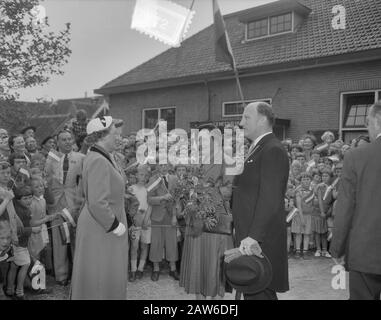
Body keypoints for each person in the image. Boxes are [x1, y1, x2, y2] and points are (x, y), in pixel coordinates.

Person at [232, 102, 289, 300]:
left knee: (260, 293)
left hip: (259, 241)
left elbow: (270, 198)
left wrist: (254, 236)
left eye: (246, 117)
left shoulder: (272, 149)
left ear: (263, 119)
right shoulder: (258, 148)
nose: (241, 123)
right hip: (250, 236)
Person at [71, 116, 128, 300]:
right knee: (100, 275)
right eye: (115, 133)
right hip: (102, 226)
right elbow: (97, 201)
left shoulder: (104, 156)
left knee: (105, 272)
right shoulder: (98, 160)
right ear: (101, 136)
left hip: (103, 224)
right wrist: (114, 225)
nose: (119, 137)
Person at [331, 101, 381, 300]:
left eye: (368, 122)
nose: (367, 128)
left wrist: (337, 248)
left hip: (366, 250)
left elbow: (345, 207)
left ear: (377, 121)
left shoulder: (357, 157)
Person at [45, 130, 85, 286]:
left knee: (77, 238)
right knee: (59, 239)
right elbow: (46, 180)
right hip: (56, 203)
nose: (67, 142)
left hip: (74, 202)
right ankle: (61, 275)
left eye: (70, 139)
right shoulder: (51, 158)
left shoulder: (81, 158)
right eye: (64, 139)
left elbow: (83, 182)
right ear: (58, 142)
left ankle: (78, 274)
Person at [147, 164, 179, 281]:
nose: (163, 167)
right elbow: (149, 199)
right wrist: (162, 197)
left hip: (171, 216)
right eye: (161, 165)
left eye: (166, 164)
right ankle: (156, 269)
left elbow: (177, 199)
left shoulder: (174, 179)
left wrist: (175, 216)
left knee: (172, 242)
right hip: (157, 216)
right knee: (156, 243)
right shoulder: (153, 180)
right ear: (157, 166)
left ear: (170, 165)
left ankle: (173, 268)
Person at [127, 165, 151, 282]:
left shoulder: (149, 189)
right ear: (136, 175)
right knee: (134, 246)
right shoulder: (131, 189)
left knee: (144, 245)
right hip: (135, 222)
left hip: (146, 221)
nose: (143, 177)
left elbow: (150, 205)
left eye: (146, 175)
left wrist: (146, 218)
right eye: (141, 174)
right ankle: (133, 270)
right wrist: (134, 216)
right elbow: (128, 205)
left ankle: (140, 269)